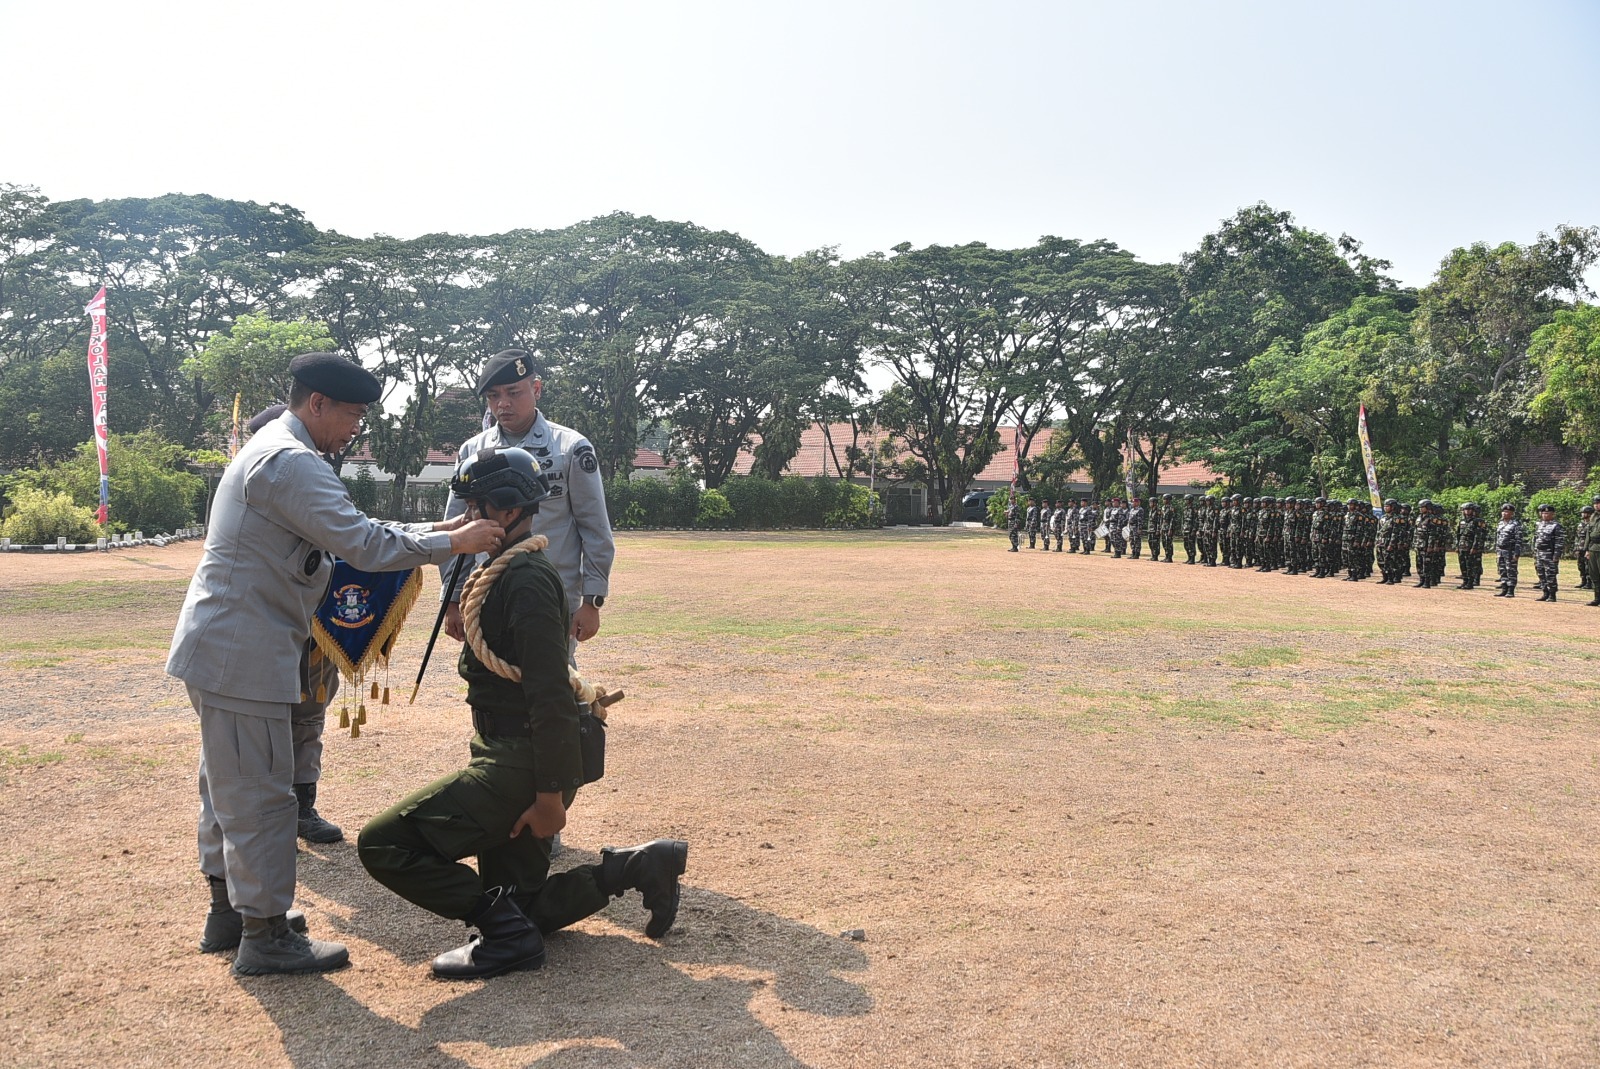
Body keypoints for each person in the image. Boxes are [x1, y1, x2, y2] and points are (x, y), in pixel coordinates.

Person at [166, 354, 505, 976]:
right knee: (263, 796)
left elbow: (353, 526)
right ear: (316, 403)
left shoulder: (280, 450)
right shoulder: (290, 461)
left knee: (228, 786)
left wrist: (435, 525)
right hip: (243, 654)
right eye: (351, 415)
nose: (355, 429)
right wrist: (453, 543)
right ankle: (264, 935)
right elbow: (363, 544)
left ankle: (230, 912)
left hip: (233, 648)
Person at [357, 447, 687, 979]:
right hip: (508, 753)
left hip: (519, 765)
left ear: (508, 512)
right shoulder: (503, 569)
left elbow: (551, 695)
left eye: (474, 507)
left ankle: (502, 933)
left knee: (383, 842)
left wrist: (550, 799)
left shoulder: (527, 579)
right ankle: (639, 866)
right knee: (522, 903)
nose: (465, 518)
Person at [440, 350, 617, 856]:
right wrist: (454, 600)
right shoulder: (474, 449)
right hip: (488, 603)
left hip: (548, 603)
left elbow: (593, 527)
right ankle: (500, 799)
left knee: (550, 703)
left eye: (513, 394)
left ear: (536, 390)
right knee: (494, 700)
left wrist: (593, 599)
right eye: (493, 396)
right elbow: (458, 531)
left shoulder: (570, 448)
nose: (503, 404)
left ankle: (549, 814)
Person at [243, 403, 344, 844]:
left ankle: (303, 805)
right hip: (270, 629)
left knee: (309, 718)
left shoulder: (319, 482)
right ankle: (267, 812)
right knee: (263, 728)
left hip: (316, 632)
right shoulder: (261, 480)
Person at [1533, 503, 1565, 601]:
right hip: (1539, 553)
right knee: (1541, 574)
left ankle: (1552, 594)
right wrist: (1535, 552)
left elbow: (1559, 542)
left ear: (1552, 514)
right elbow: (1536, 539)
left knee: (1550, 574)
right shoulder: (1539, 524)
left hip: (1549, 554)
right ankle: (1545, 592)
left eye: (1548, 513)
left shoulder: (1556, 526)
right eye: (1543, 513)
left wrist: (1556, 555)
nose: (1545, 515)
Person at [1494, 503, 1527, 597]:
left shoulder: (1515, 525)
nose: (1505, 513)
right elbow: (1497, 537)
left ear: (1512, 514)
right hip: (1500, 550)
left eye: (1507, 512)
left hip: (1510, 551)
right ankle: (1504, 588)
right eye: (1504, 511)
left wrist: (1516, 553)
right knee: (1502, 570)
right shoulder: (1500, 523)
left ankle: (1511, 590)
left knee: (1511, 571)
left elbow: (1518, 540)